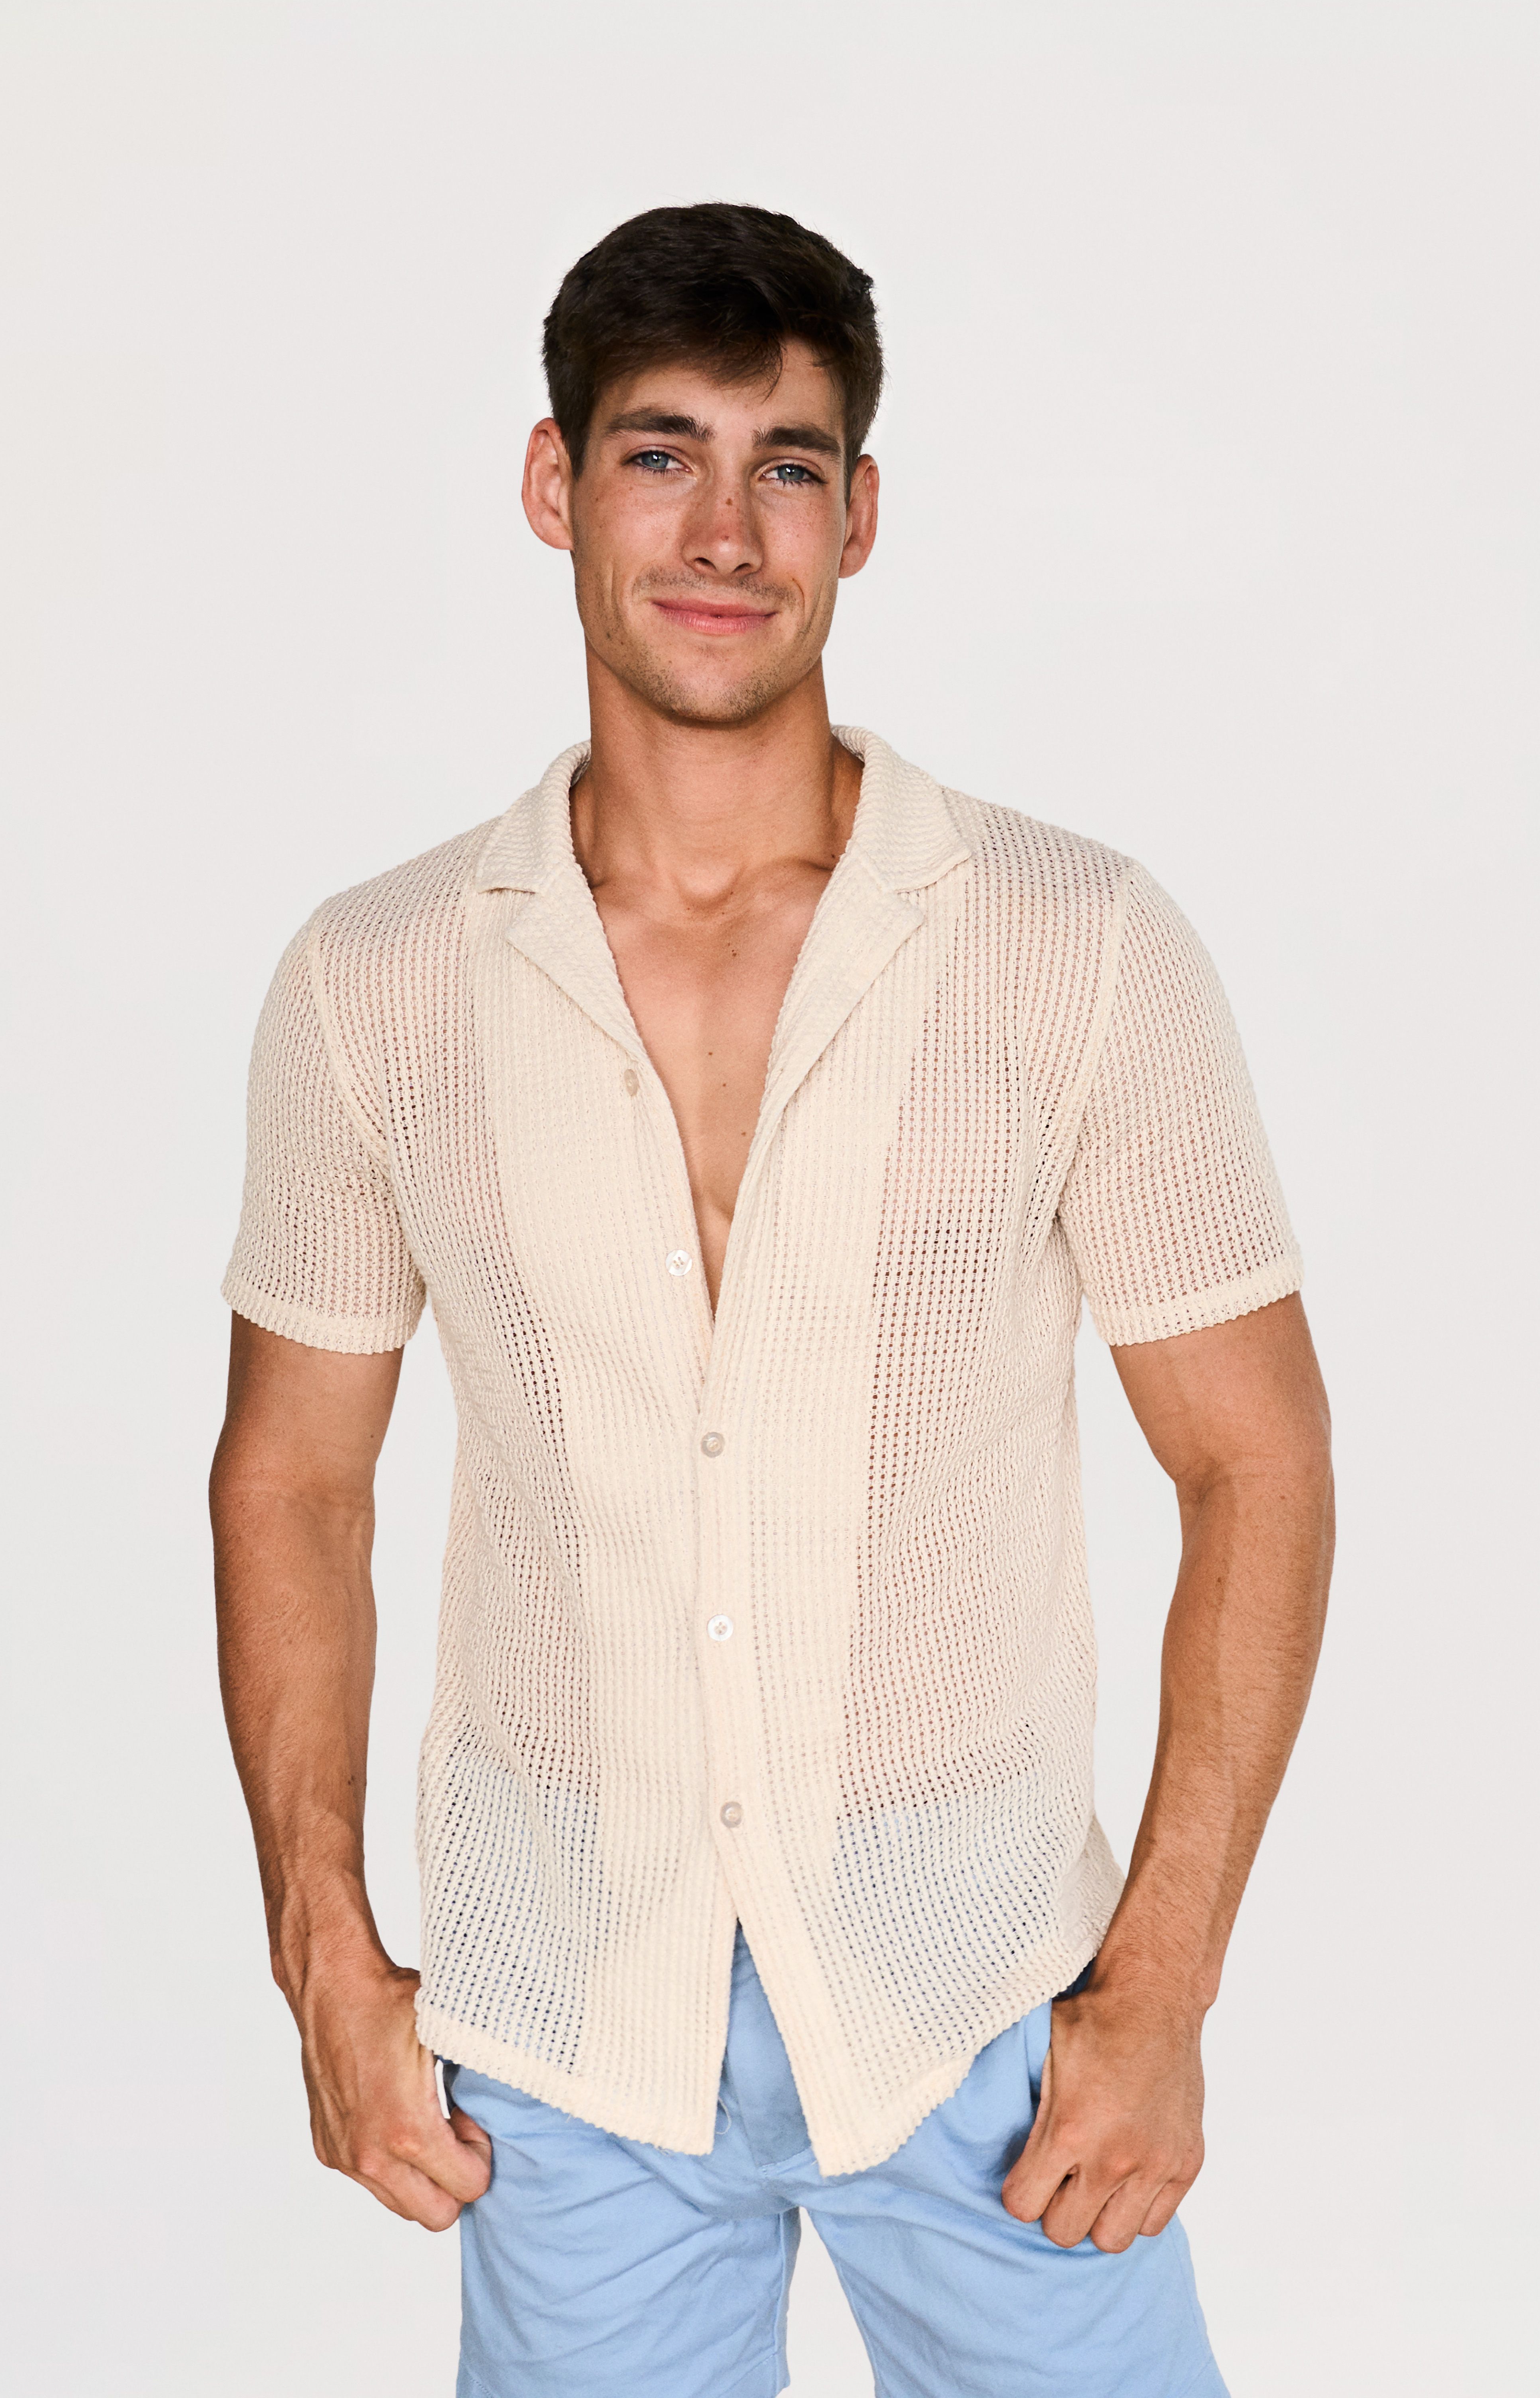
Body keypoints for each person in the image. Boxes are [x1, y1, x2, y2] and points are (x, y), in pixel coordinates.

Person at [210, 202, 1333, 2398]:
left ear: (859, 516)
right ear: (554, 486)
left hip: (987, 2014)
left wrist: (1163, 1990)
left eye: (785, 465)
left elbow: (1259, 1465)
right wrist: (323, 1957)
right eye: (661, 456)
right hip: (567, 2032)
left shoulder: (1072, 944)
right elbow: (292, 1485)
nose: (725, 531)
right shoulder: (380, 981)